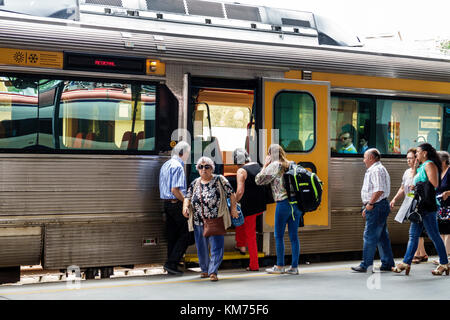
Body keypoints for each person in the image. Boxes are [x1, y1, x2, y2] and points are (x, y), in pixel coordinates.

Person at [392, 143, 449, 275]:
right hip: (419, 206)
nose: (416, 154)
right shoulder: (422, 166)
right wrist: (415, 181)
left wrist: (417, 185)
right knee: (413, 236)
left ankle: (444, 263)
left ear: (425, 153)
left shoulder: (429, 164)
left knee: (434, 235)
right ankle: (406, 263)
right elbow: (418, 182)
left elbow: (434, 184)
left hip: (428, 206)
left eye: (418, 152)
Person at [182, 156, 238, 281]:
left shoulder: (219, 180)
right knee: (201, 246)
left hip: (215, 220)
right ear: (197, 169)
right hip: (198, 220)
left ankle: (213, 271)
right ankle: (204, 270)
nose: (204, 169)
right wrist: (185, 207)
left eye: (207, 167)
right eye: (201, 167)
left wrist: (233, 209)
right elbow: (187, 196)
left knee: (216, 246)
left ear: (212, 168)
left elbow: (232, 194)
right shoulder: (195, 182)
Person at [255, 144, 302, 275]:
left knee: (279, 235)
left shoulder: (274, 165)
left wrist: (265, 164)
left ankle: (280, 266)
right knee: (294, 236)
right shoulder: (291, 164)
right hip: (296, 205)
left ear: (270, 154)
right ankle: (294, 267)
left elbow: (258, 180)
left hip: (283, 204)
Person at [352, 148, 395, 273]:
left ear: (371, 158)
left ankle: (366, 265)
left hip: (376, 206)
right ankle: (387, 263)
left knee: (369, 235)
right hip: (378, 205)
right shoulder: (376, 169)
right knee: (382, 237)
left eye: (365, 157)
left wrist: (370, 204)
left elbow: (379, 189)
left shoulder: (376, 170)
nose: (363, 160)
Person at [390, 148, 429, 264]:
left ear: (417, 158)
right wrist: (394, 199)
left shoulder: (421, 171)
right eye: (407, 158)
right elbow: (403, 188)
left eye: (411, 158)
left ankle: (418, 254)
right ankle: (421, 253)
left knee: (418, 230)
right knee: (417, 229)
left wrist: (415, 168)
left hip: (420, 204)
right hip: (409, 203)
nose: (408, 161)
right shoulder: (407, 172)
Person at [159, 141, 191, 275]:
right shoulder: (178, 166)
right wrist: (186, 201)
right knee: (186, 234)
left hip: (166, 204)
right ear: (183, 153)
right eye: (188, 154)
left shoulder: (166, 164)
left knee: (172, 235)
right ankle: (172, 262)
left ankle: (171, 264)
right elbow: (175, 190)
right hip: (176, 203)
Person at [232, 148, 267, 271]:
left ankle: (254, 265)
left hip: (249, 206)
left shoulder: (241, 171)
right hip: (260, 204)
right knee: (240, 219)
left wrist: (234, 202)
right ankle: (241, 244)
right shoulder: (258, 166)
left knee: (251, 235)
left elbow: (240, 191)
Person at [434, 151, 450, 263]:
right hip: (440, 206)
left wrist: (448, 192)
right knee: (442, 231)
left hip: (449, 206)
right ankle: (443, 256)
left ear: (444, 161)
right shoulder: (439, 172)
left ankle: (446, 257)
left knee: (448, 231)